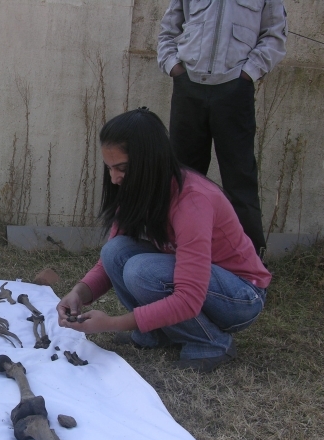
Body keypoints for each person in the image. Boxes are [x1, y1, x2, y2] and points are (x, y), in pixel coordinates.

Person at [56, 109, 271, 373]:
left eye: (122, 168)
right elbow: (109, 262)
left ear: (150, 161)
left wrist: (112, 323)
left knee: (142, 271)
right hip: (206, 284)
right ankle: (156, 334)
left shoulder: (193, 200)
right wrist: (79, 292)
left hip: (241, 297)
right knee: (116, 251)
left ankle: (212, 343)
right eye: (110, 168)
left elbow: (189, 297)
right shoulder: (137, 189)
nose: (114, 179)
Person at [157, 0, 287, 259]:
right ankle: (174, 258)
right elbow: (168, 32)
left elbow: (274, 35)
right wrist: (175, 68)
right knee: (181, 178)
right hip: (189, 88)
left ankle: (250, 269)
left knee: (240, 178)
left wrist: (247, 74)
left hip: (234, 90)